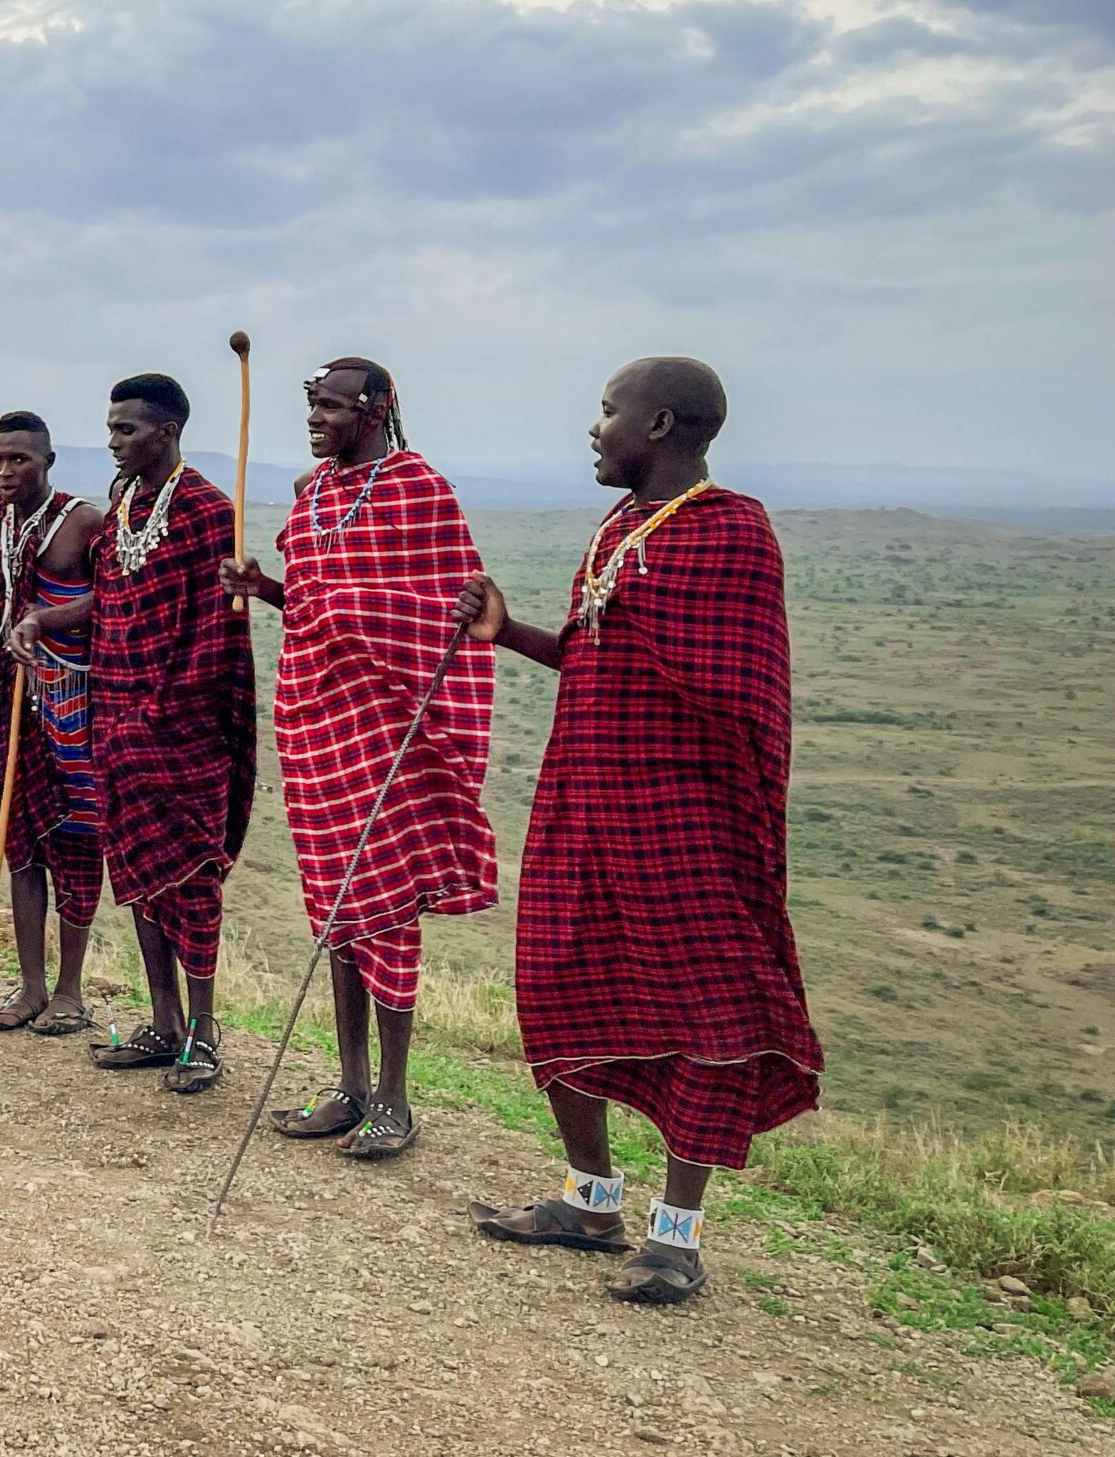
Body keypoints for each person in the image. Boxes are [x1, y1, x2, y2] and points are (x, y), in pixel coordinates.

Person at [456, 357, 821, 1306]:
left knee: (710, 1009)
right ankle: (588, 1199)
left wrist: (627, 638)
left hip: (686, 819)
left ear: (660, 424)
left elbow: (733, 680)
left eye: (608, 410)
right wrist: (509, 630)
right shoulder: (621, 525)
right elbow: (594, 653)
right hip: (584, 803)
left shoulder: (732, 529)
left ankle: (677, 1234)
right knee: (554, 979)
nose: (593, 427)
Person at [220, 359, 495, 1159]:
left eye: (331, 407)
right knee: (334, 904)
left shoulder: (419, 490)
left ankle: (395, 1100)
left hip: (389, 725)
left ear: (375, 411)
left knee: (384, 905)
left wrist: (350, 611)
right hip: (314, 718)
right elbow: (312, 601)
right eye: (311, 405)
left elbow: (446, 609)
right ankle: (347, 1085)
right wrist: (266, 588)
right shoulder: (311, 494)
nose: (315, 418)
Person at [13, 374, 254, 1094]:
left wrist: (163, 712)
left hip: (183, 730)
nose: (112, 440)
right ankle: (164, 1024)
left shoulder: (209, 510)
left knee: (191, 881)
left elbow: (218, 628)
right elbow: (108, 597)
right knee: (141, 880)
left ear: (167, 431)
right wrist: (41, 619)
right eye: (110, 428)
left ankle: (205, 1034)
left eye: (125, 429)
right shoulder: (123, 505)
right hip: (113, 717)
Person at [0, 412, 105, 1037]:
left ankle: (70, 990)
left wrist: (45, 619)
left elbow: (110, 596)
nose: (7, 471)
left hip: (73, 697)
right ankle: (31, 987)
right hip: (6, 690)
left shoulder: (84, 521)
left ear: (48, 460)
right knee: (18, 842)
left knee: (75, 841)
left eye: (19, 459)